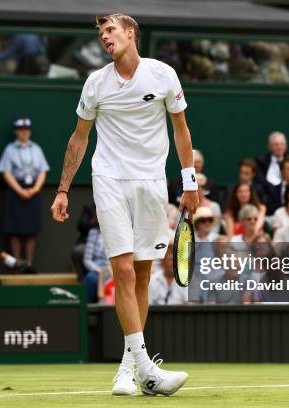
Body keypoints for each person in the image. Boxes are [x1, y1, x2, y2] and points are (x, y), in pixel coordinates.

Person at [50, 13, 194, 396]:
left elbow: (181, 131)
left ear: (131, 34)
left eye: (110, 30)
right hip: (109, 179)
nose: (104, 38)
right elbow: (79, 139)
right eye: (100, 34)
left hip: (151, 183)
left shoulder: (163, 75)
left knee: (143, 274)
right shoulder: (95, 83)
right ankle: (146, 367)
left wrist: (189, 181)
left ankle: (130, 370)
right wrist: (63, 189)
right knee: (124, 271)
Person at [0, 117, 49, 268]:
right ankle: (16, 264)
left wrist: (35, 189)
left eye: (27, 130)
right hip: (16, 190)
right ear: (16, 132)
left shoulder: (36, 149)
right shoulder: (10, 150)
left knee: (31, 230)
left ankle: (29, 265)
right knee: (15, 230)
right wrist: (19, 190)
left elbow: (43, 171)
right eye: (21, 130)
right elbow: (6, 172)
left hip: (33, 189)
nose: (25, 133)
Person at [148, 240, 188, 305]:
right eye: (170, 259)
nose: (174, 263)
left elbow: (191, 306)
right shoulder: (152, 280)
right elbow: (148, 305)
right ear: (162, 262)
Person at [82, 226, 110, 303]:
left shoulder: (121, 231)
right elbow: (87, 259)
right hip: (98, 269)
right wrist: (98, 270)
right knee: (90, 278)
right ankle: (88, 311)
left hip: (115, 268)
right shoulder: (94, 233)